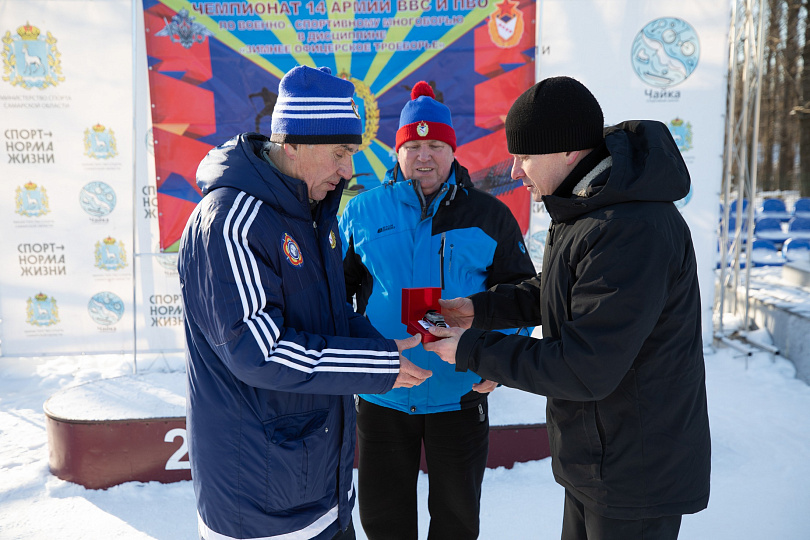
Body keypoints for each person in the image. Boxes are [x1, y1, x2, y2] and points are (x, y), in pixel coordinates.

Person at [424, 76, 711, 540]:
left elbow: (584, 367)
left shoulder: (629, 227)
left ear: (569, 152)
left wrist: (472, 349)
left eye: (525, 156)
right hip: (598, 461)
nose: (515, 171)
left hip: (635, 475)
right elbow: (559, 291)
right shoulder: (587, 206)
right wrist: (477, 310)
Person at [178, 65, 432, 540]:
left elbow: (328, 319)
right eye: (339, 153)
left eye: (352, 153)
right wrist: (378, 365)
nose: (348, 170)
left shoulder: (311, 213)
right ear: (291, 144)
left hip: (321, 493)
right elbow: (260, 351)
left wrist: (382, 346)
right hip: (260, 510)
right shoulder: (231, 222)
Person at [339, 81, 536, 539]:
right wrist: (355, 362)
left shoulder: (489, 215)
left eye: (435, 146)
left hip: (460, 392)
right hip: (384, 391)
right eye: (413, 146)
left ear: (452, 151)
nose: (423, 156)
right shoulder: (361, 212)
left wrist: (500, 360)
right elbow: (335, 298)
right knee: (383, 522)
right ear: (397, 151)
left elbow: (522, 296)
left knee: (457, 521)